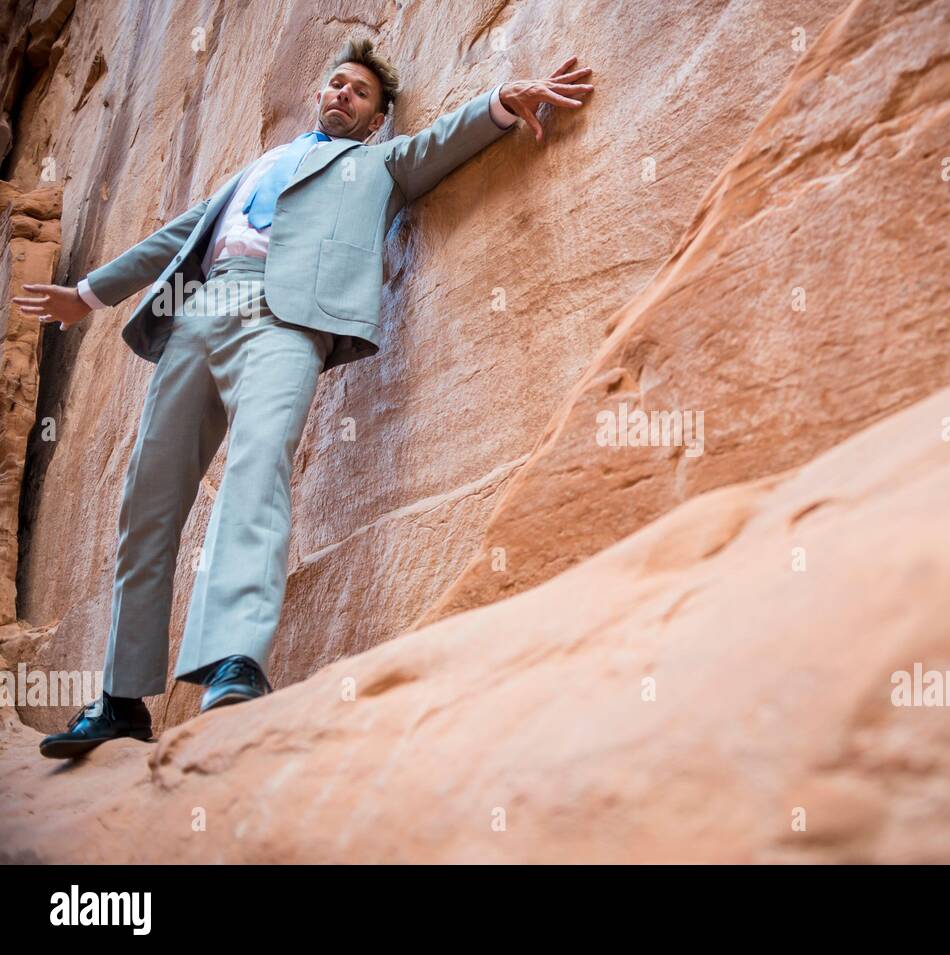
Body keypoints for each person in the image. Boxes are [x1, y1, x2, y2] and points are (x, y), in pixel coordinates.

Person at [15, 37, 593, 759]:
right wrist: (87, 293)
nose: (343, 95)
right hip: (196, 318)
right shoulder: (255, 166)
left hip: (285, 323)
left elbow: (439, 144)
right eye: (336, 84)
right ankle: (123, 698)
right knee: (146, 502)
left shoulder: (380, 164)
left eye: (360, 93)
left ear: (377, 117)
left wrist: (502, 104)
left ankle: (234, 662)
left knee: (257, 472)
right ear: (319, 94)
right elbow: (176, 236)